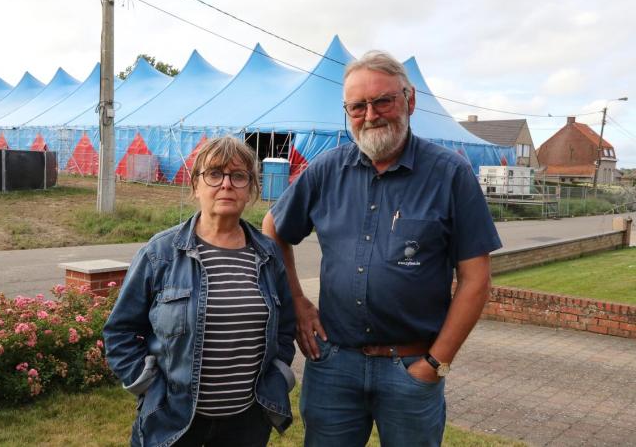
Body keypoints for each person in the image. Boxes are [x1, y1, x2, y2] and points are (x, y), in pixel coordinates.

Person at [262, 51, 502, 447]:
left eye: (382, 101)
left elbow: (476, 280)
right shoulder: (326, 170)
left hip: (411, 365)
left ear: (409, 100)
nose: (370, 114)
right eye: (358, 106)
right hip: (333, 366)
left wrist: (436, 363)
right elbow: (274, 230)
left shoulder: (450, 174)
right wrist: (297, 302)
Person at [104, 136, 296, 447]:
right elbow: (120, 332)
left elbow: (285, 329)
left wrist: (275, 377)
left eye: (238, 176)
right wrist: (150, 387)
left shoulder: (268, 255)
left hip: (246, 422)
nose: (226, 185)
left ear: (251, 189)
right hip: (173, 420)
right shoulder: (160, 253)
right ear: (195, 186)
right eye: (214, 174)